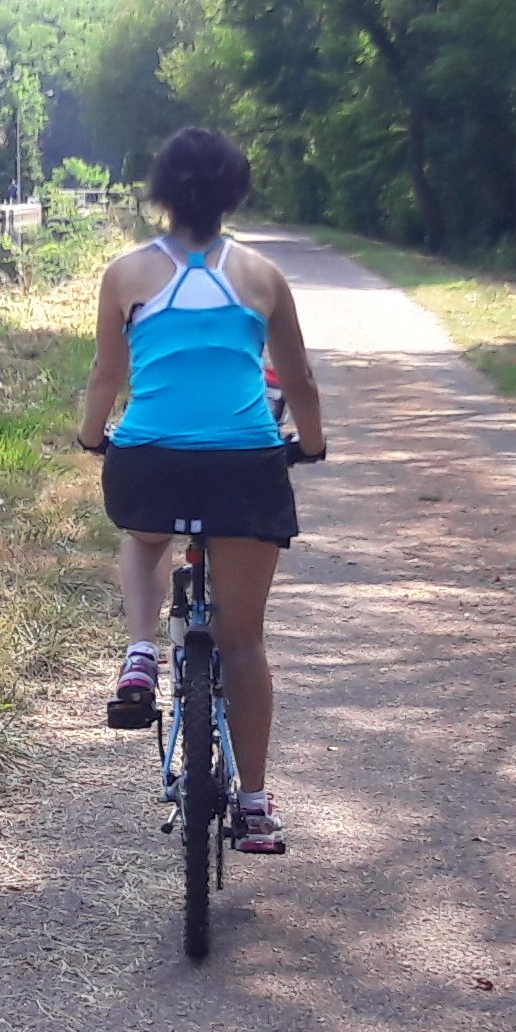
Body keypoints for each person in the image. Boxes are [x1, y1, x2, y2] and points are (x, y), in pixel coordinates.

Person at [78, 126, 325, 851]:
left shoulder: (125, 274)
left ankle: (140, 653)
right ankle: (252, 803)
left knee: (144, 534)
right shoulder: (262, 277)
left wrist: (95, 436)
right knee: (243, 642)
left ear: (159, 194)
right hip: (244, 463)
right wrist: (309, 445)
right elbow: (300, 381)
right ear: (234, 193)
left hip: (150, 457)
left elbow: (105, 377)